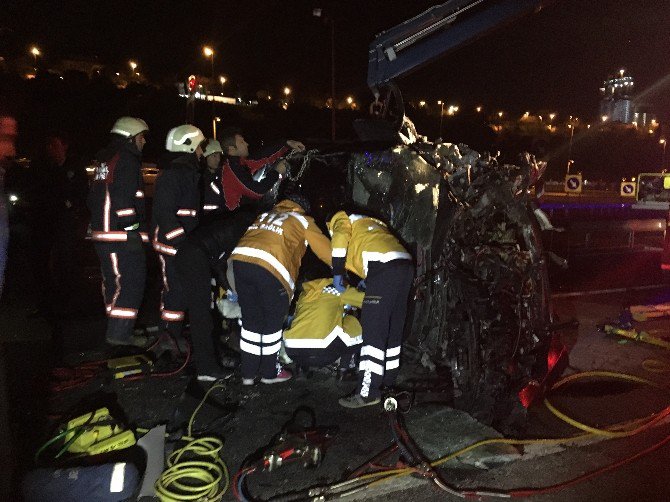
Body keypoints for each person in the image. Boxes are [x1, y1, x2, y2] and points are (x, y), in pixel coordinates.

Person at [230, 189, 331, 385]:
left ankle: (248, 372)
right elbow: (326, 251)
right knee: (272, 324)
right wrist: (343, 271)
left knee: (251, 321)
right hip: (271, 269)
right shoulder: (303, 220)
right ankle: (269, 372)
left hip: (240, 263)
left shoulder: (266, 214)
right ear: (303, 208)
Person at [327, 210, 413, 408]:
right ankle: (388, 384)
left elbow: (340, 238)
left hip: (382, 268)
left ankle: (367, 393)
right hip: (404, 265)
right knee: (393, 330)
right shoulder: (370, 223)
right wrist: (368, 280)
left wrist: (337, 272)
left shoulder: (340, 218)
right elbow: (376, 247)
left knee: (373, 332)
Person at [88, 117, 151, 347]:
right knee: (132, 282)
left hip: (104, 234)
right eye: (142, 137)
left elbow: (94, 197)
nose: (144, 142)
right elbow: (124, 200)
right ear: (131, 138)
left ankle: (116, 329)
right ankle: (119, 334)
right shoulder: (127, 159)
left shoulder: (105, 160)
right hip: (120, 236)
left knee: (114, 283)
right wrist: (132, 230)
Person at [174, 208, 257, 382]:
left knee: (202, 314)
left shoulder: (232, 224)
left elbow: (220, 266)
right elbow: (234, 264)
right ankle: (206, 368)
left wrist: (230, 289)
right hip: (195, 258)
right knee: (201, 316)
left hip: (190, 256)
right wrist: (238, 290)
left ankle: (207, 364)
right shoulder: (243, 230)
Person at [152, 124, 206, 349]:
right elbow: (164, 213)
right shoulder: (174, 174)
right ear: (190, 147)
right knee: (175, 290)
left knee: (179, 290)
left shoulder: (186, 172)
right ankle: (169, 337)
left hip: (180, 243)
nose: (202, 152)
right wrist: (180, 242)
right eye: (200, 147)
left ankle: (171, 335)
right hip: (172, 244)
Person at [282, 278, 364, 372]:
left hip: (293, 351)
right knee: (352, 321)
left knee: (308, 323)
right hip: (323, 353)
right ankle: (345, 368)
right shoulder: (338, 289)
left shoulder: (304, 293)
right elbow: (367, 301)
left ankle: (302, 368)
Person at [219, 127, 305, 211]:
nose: (246, 144)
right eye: (242, 142)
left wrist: (287, 144)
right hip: (233, 220)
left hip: (241, 215)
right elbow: (257, 191)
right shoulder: (231, 170)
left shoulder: (239, 162)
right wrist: (276, 171)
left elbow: (264, 157)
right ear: (231, 149)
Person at [200, 139, 225, 223]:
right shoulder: (201, 179)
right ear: (205, 157)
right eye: (214, 156)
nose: (218, 159)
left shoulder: (222, 175)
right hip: (207, 223)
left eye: (219, 155)